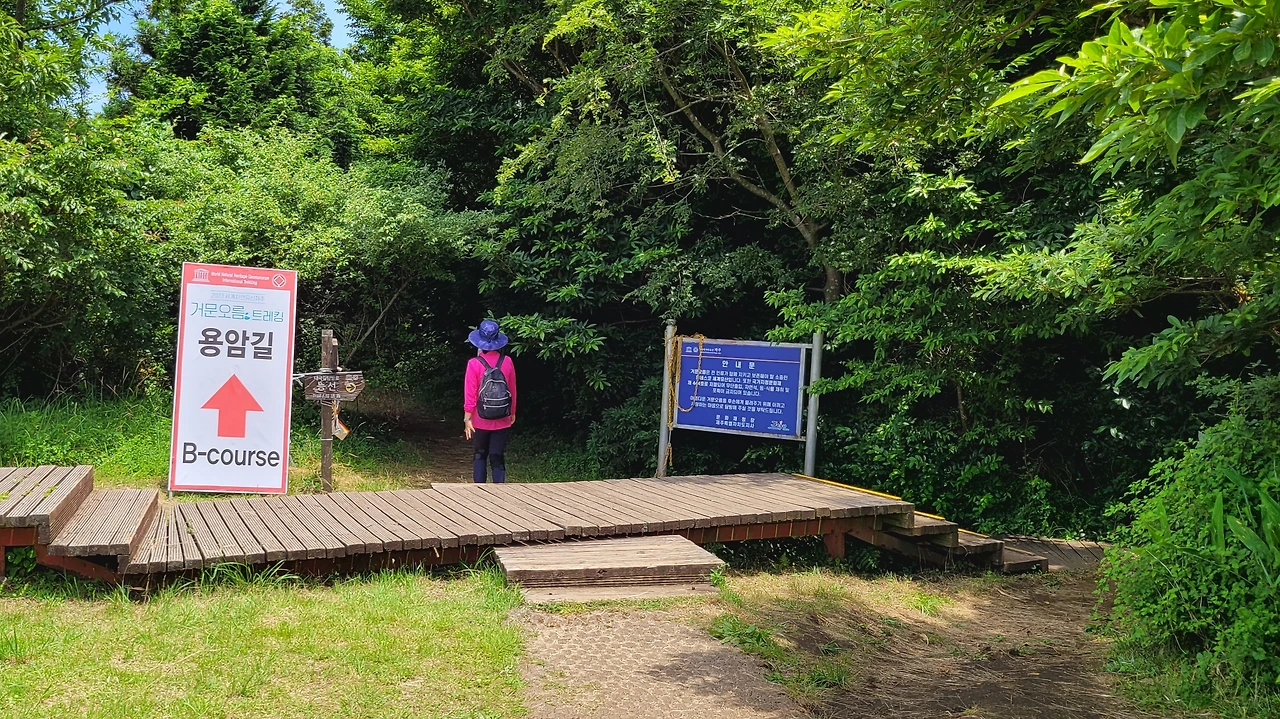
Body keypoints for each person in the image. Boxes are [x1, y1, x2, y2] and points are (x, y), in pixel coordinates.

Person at [463, 319, 517, 483]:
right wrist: (512, 412)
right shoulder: (507, 361)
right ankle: (499, 490)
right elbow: (512, 390)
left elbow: (470, 393)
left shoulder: (473, 363)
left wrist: (467, 418)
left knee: (480, 455)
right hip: (503, 417)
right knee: (497, 456)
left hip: (479, 418)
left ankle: (479, 490)